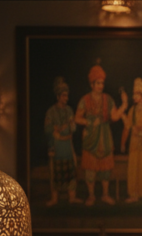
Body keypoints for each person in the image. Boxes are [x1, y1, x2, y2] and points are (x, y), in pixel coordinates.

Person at [75, 60, 126, 206]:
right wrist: (90, 122)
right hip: (90, 138)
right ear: (92, 84)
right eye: (98, 83)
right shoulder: (85, 100)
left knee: (105, 169)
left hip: (104, 137)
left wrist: (123, 105)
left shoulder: (108, 99)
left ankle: (104, 195)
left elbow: (115, 117)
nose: (101, 86)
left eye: (102, 83)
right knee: (90, 169)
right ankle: (91, 196)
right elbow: (77, 118)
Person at [43, 76, 79, 206]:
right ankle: (54, 198)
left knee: (70, 172)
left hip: (68, 146)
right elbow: (47, 128)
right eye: (63, 95)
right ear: (58, 96)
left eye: (67, 96)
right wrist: (55, 129)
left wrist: (69, 125)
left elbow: (73, 128)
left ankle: (72, 197)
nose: (66, 98)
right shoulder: (51, 112)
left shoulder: (69, 110)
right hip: (57, 146)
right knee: (56, 173)